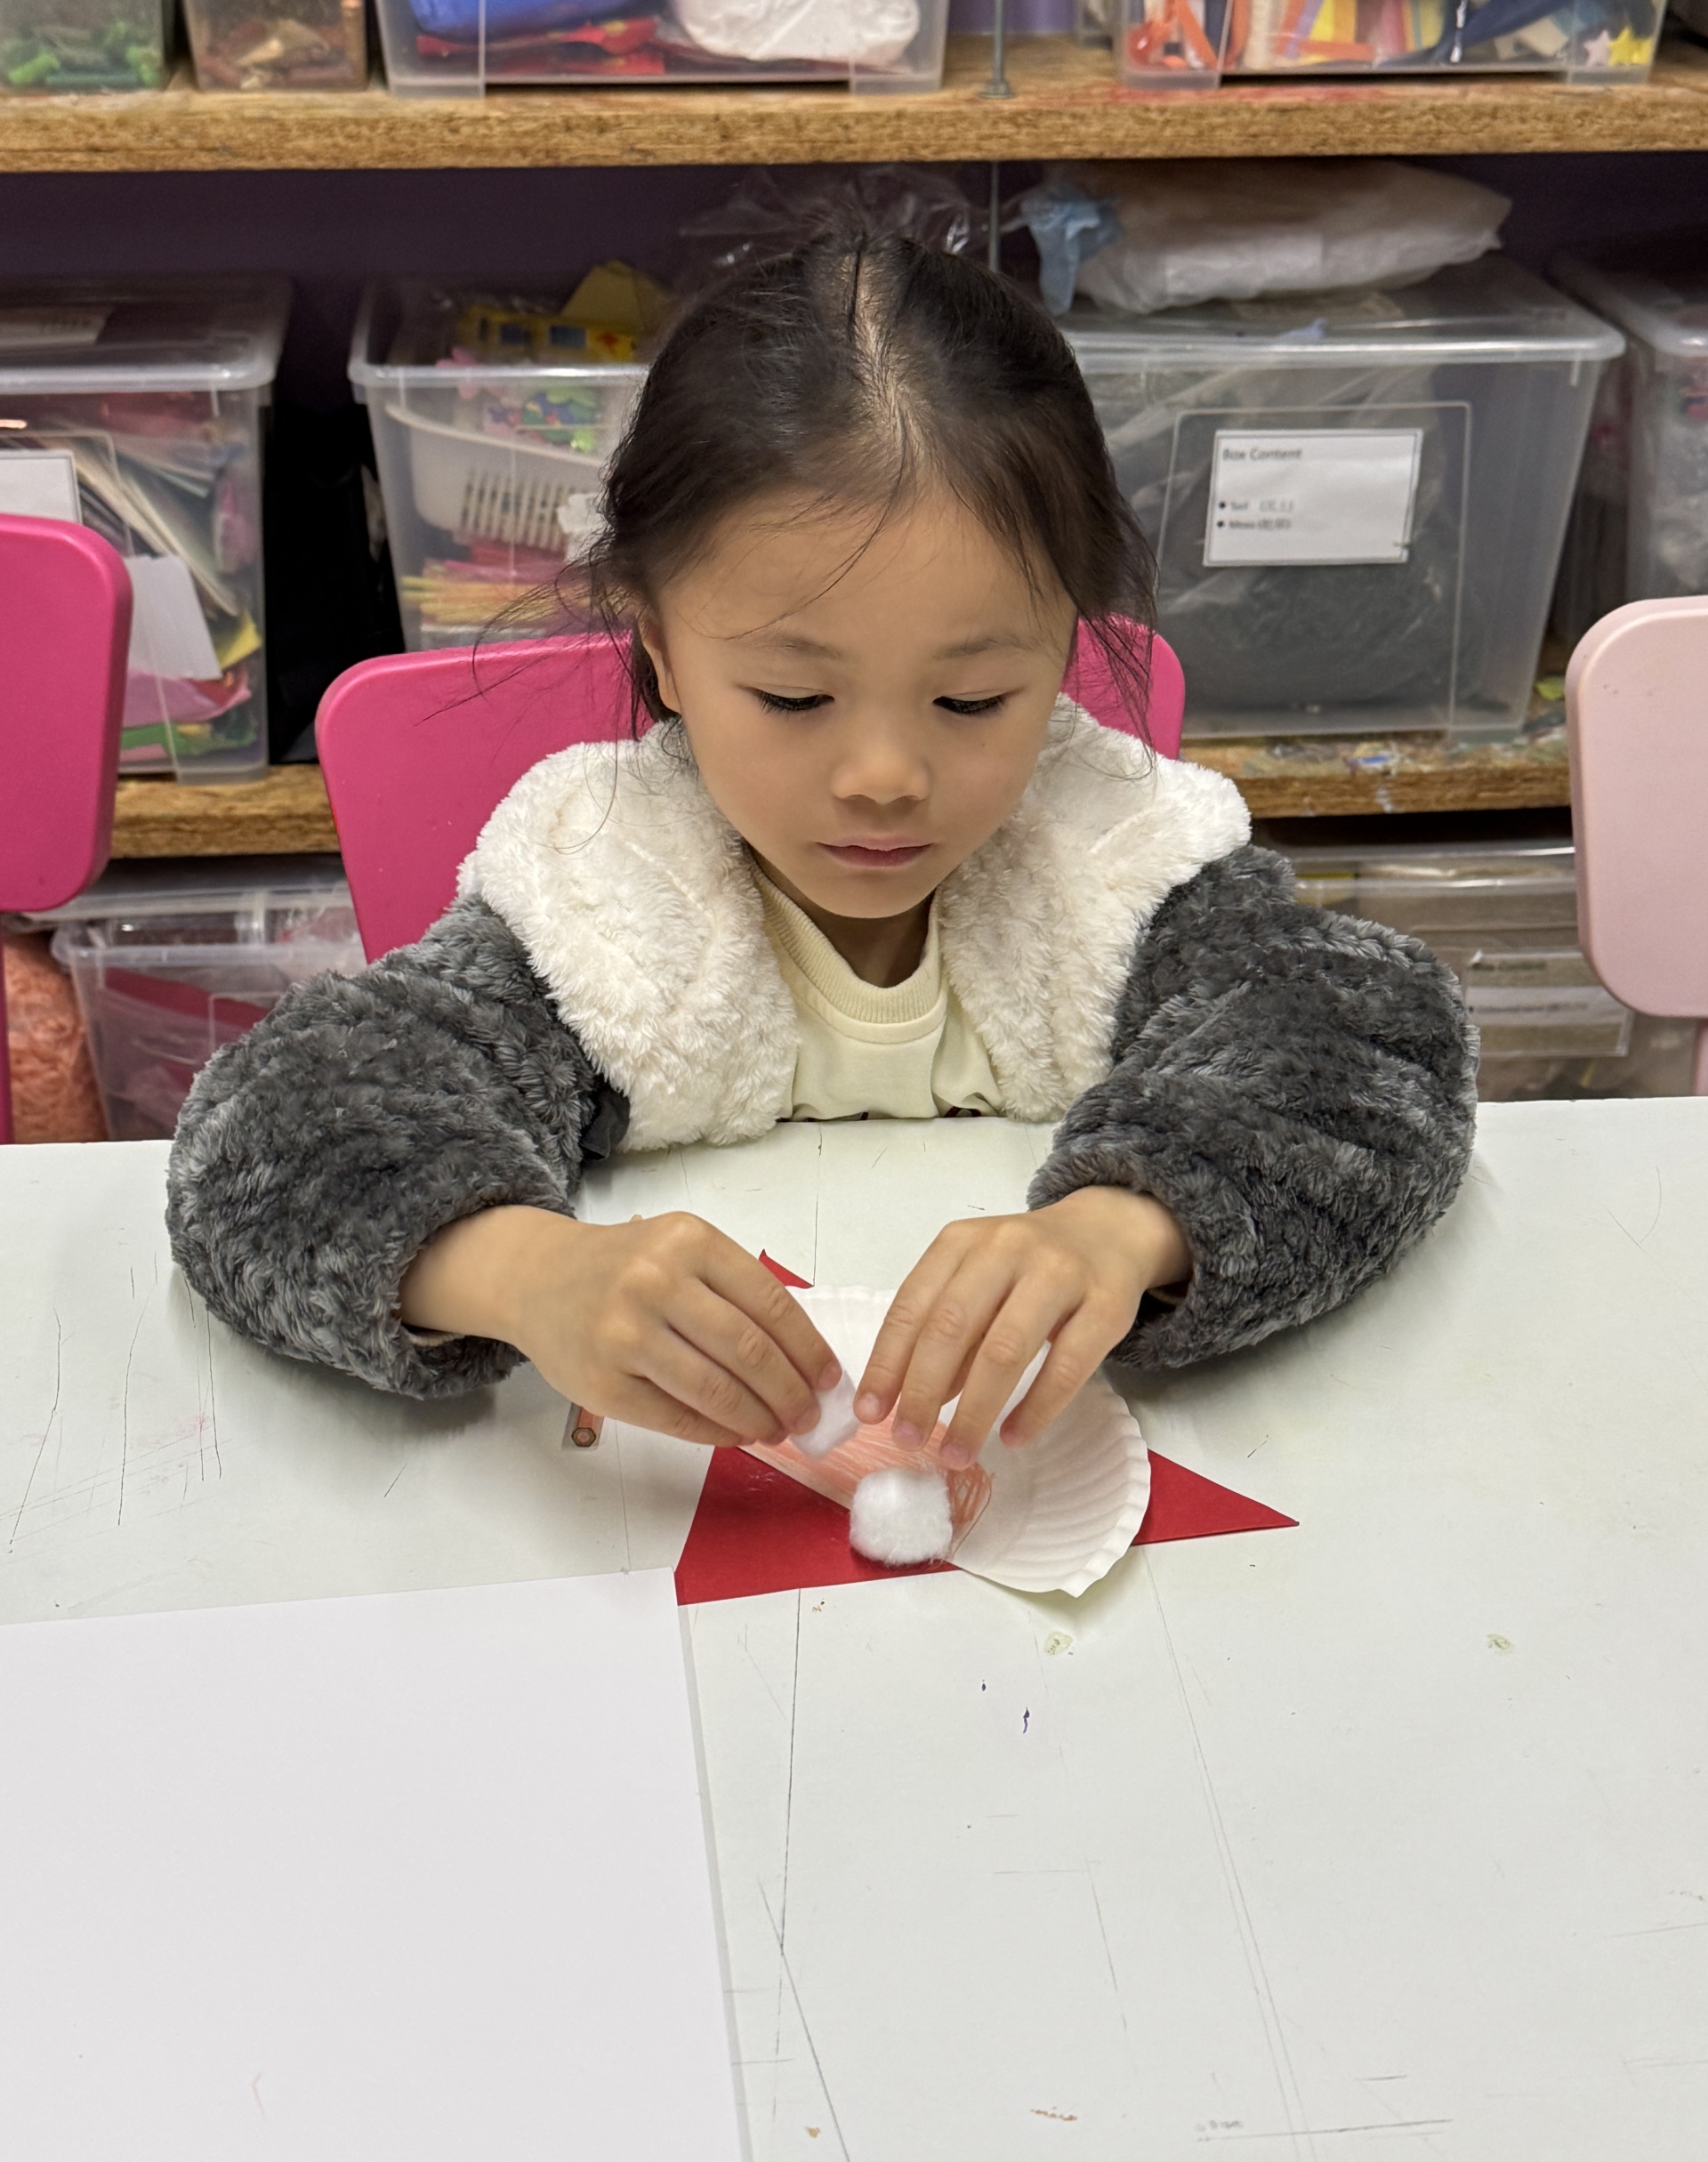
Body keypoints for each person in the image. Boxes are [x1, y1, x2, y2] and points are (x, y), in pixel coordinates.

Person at [167, 230, 1477, 1471]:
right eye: (795, 698)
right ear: (660, 646)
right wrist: (524, 1274)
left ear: (1066, 645)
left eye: (972, 699)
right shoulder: (608, 896)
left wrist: (1133, 1225)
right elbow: (266, 1138)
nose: (884, 777)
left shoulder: (1111, 860)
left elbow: (1376, 1048)